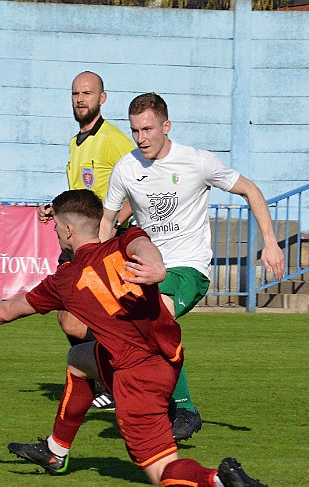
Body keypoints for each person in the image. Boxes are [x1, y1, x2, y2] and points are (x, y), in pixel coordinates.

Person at [0, 189, 273, 487]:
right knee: (80, 359)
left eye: (55, 228)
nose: (54, 233)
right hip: (166, 355)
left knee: (161, 470)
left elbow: (8, 311)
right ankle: (56, 452)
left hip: (139, 377)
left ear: (68, 230)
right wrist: (155, 265)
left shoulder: (64, 280)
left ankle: (219, 479)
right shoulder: (126, 240)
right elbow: (143, 246)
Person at [100, 92, 286, 440]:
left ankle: (184, 409)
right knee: (118, 330)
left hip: (188, 268)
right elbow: (108, 220)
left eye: (148, 129)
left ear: (166, 126)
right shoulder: (126, 167)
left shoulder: (197, 162)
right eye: (135, 130)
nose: (141, 138)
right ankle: (143, 397)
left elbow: (251, 190)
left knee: (157, 319)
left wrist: (271, 243)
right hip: (145, 270)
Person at [38, 71, 136, 412]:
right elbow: (83, 193)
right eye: (76, 93)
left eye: (88, 93)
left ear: (102, 98)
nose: (81, 99)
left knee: (101, 316)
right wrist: (57, 209)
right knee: (68, 317)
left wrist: (113, 223)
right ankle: (107, 379)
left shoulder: (114, 140)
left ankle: (117, 380)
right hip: (77, 243)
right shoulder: (75, 142)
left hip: (102, 245)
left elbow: (140, 185)